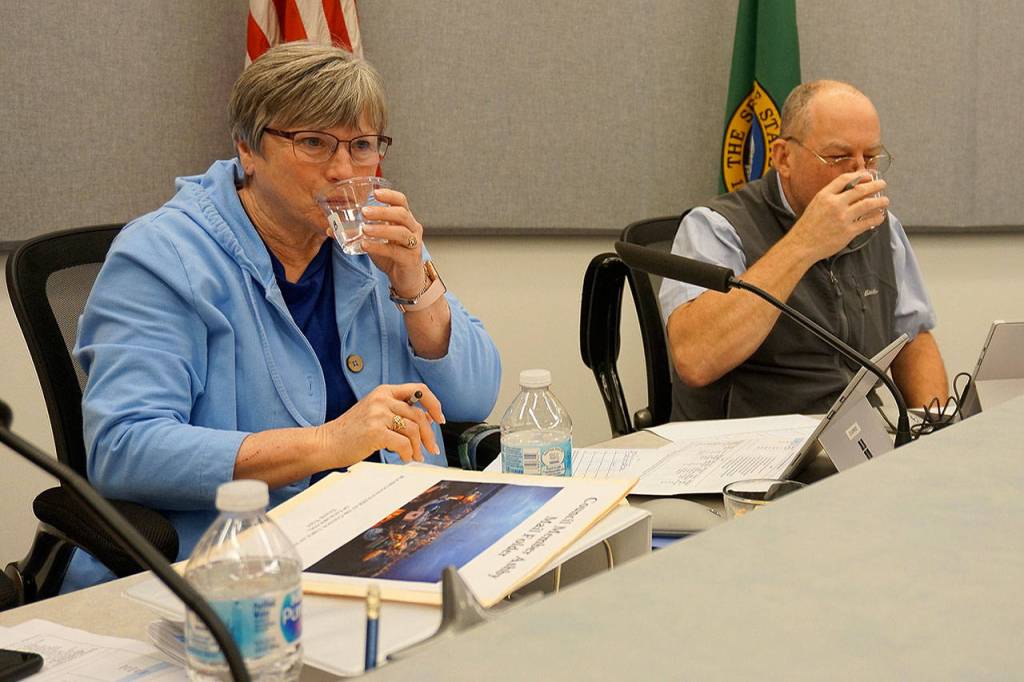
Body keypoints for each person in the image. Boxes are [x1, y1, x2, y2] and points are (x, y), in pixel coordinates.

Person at [68, 42, 501, 590]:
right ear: (248, 149)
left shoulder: (374, 238)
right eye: (314, 143)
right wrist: (328, 443)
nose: (344, 170)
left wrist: (416, 285)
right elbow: (123, 450)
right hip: (234, 572)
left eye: (362, 145)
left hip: (389, 542)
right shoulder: (162, 256)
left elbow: (473, 399)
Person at [659, 80, 948, 421]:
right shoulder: (716, 226)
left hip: (854, 439)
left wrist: (934, 426)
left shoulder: (882, 228)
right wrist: (806, 242)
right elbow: (696, 359)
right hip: (751, 447)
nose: (860, 174)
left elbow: (913, 339)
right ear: (783, 157)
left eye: (870, 157)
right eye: (839, 158)